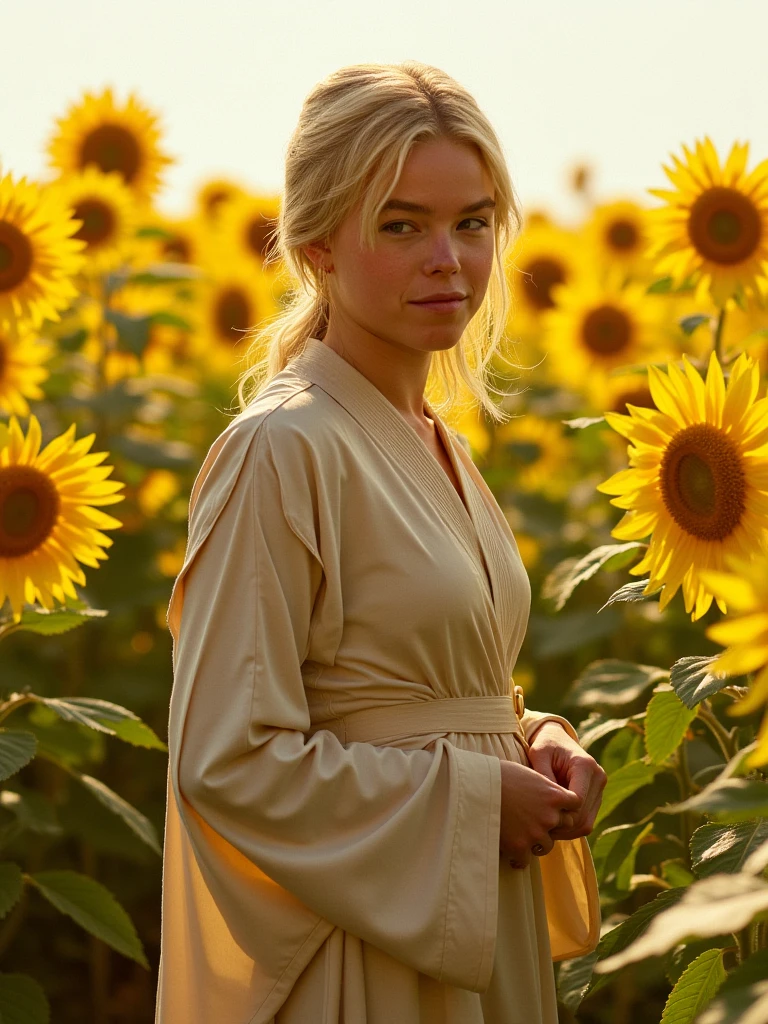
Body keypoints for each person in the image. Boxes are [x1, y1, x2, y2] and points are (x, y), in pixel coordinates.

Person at [154, 61, 606, 1024]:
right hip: (365, 957)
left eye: (473, 222)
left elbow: (421, 692)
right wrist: (471, 797)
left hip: (475, 917)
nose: (449, 258)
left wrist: (533, 739)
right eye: (401, 225)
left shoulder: (436, 441)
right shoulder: (280, 449)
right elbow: (226, 757)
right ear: (315, 243)